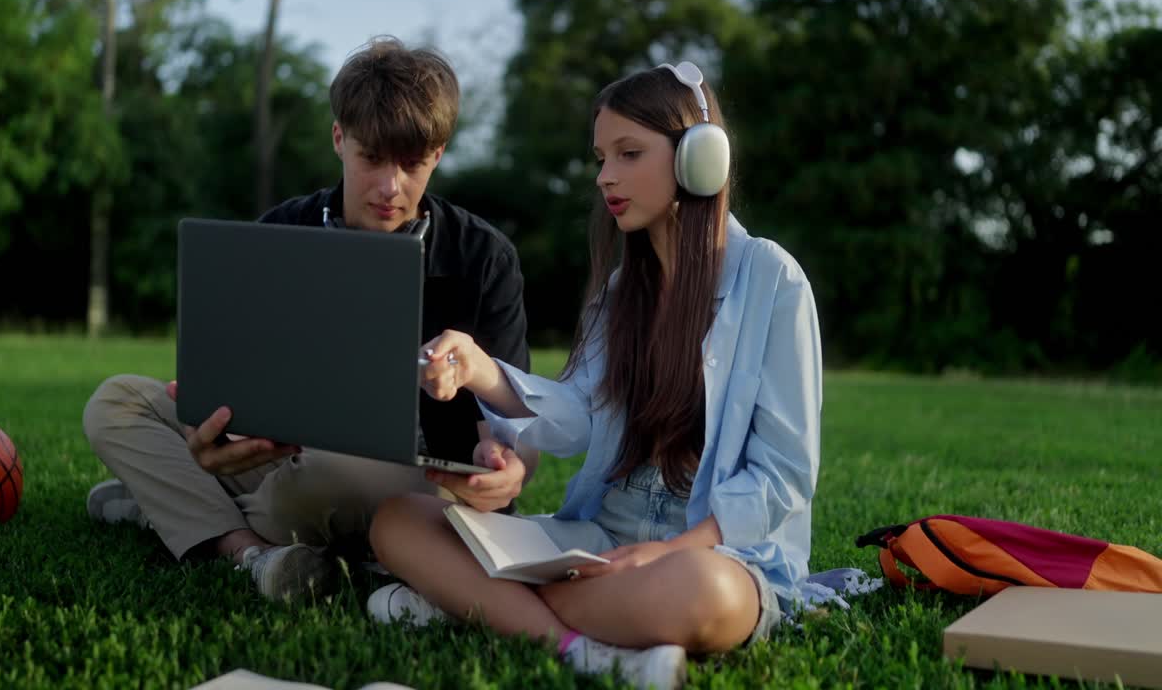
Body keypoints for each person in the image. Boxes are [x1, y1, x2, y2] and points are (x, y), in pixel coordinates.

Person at [366, 61, 822, 690]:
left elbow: (783, 475)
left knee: (707, 594)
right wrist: (480, 370)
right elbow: (578, 417)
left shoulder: (773, 278)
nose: (606, 176)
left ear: (700, 158)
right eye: (602, 158)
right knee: (399, 519)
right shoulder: (619, 291)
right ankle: (581, 645)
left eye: (629, 154)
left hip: (711, 555)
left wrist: (667, 552)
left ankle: (473, 603)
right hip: (598, 539)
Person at [81, 37, 533, 602]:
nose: (390, 187)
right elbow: (242, 382)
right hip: (283, 458)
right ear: (339, 138)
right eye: (372, 158)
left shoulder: (484, 257)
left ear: (438, 154)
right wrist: (216, 436)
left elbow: (518, 425)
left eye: (413, 164)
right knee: (115, 402)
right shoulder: (281, 231)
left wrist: (509, 466)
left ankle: (174, 509)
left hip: (407, 475)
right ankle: (247, 547)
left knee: (327, 479)